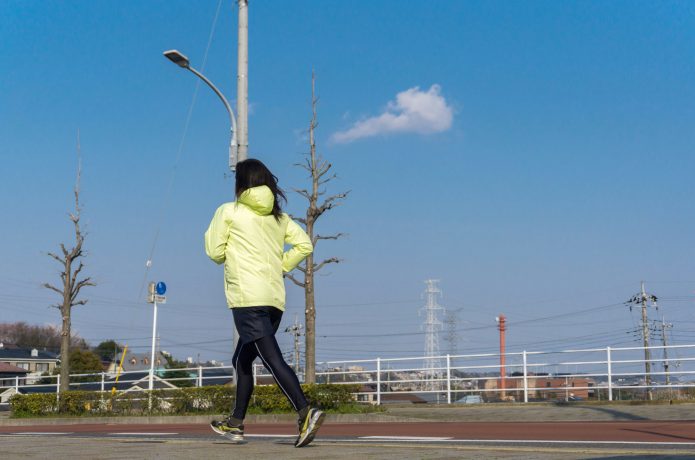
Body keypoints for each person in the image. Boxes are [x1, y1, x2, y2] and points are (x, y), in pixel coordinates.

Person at [204, 158, 325, 448]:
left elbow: (214, 252)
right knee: (241, 360)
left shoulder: (229, 212)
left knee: (272, 360)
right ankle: (235, 423)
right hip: (273, 301)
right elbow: (305, 245)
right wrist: (280, 266)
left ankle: (305, 411)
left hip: (247, 299)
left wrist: (231, 252)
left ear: (241, 184)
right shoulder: (279, 219)